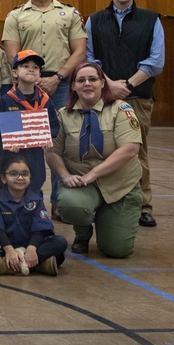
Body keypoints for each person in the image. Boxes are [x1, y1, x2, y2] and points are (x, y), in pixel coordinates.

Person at [2, 0, 87, 213]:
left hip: (60, 85)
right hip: (26, 88)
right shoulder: (15, 16)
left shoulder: (69, 13)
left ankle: (59, 201)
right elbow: (12, 53)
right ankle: (26, 201)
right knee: (25, 146)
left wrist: (57, 77)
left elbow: (79, 51)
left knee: (58, 143)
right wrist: (30, 79)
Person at [86, 0, 165, 228]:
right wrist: (108, 84)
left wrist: (127, 85)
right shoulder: (94, 20)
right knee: (100, 150)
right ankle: (102, 203)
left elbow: (155, 62)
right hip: (102, 97)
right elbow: (89, 59)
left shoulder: (151, 20)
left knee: (136, 152)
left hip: (138, 98)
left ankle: (143, 205)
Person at [46, 62, 143, 258]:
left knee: (117, 250)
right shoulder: (63, 115)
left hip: (120, 185)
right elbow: (51, 152)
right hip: (83, 185)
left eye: (93, 79)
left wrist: (94, 174)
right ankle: (83, 232)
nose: (87, 84)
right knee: (71, 204)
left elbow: (130, 149)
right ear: (73, 86)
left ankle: (108, 219)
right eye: (81, 80)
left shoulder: (121, 109)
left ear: (102, 84)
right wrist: (65, 176)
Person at [0, 154, 67, 276]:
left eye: (25, 174)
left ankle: (4, 265)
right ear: (4, 178)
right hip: (6, 246)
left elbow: (41, 228)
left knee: (60, 242)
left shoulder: (36, 200)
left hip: (31, 246)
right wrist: (9, 250)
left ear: (30, 177)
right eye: (13, 174)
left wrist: (32, 248)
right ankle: (38, 265)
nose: (20, 178)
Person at [0, 50, 59, 196]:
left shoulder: (45, 100)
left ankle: (35, 215)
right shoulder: (7, 100)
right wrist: (8, 141)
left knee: (36, 183)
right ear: (15, 73)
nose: (31, 69)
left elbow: (54, 125)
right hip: (11, 154)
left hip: (35, 154)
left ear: (40, 74)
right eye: (25, 66)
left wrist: (48, 137)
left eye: (36, 67)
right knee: (12, 186)